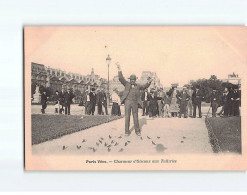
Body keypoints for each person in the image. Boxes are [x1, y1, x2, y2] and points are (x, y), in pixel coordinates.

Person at [116, 62, 152, 136]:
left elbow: (144, 86)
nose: (132, 80)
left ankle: (137, 131)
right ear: (129, 80)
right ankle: (126, 131)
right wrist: (119, 69)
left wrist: (149, 82)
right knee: (127, 117)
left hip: (135, 102)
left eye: (134, 79)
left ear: (135, 80)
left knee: (135, 117)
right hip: (127, 102)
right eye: (131, 79)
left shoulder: (138, 86)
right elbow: (121, 78)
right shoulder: (126, 84)